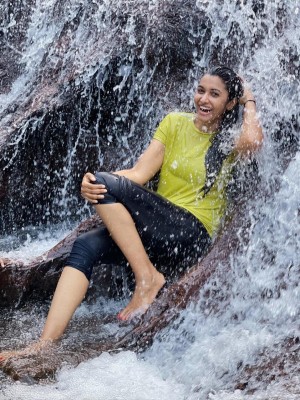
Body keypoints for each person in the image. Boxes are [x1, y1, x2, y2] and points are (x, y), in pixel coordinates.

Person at [0, 65, 263, 361]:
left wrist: (249, 101)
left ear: (229, 103)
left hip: (191, 234)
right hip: (157, 231)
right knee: (85, 245)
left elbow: (254, 142)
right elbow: (138, 174)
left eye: (215, 94)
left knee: (103, 183)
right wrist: (96, 182)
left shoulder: (229, 137)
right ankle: (43, 345)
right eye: (200, 90)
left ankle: (147, 278)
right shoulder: (174, 122)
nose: (204, 99)